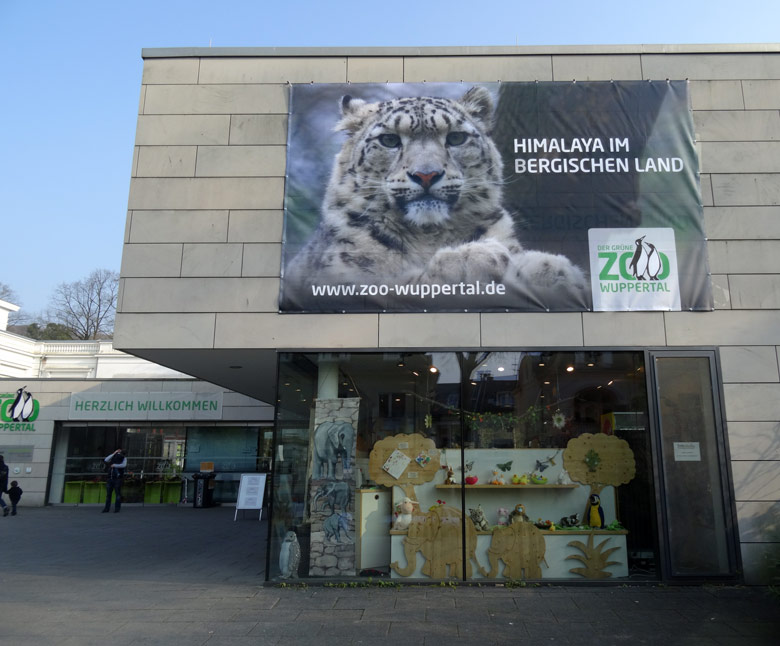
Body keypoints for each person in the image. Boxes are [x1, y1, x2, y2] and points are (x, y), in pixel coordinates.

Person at [102, 449, 126, 513]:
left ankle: (117, 509)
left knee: (118, 494)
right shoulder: (113, 457)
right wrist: (113, 453)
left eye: (119, 452)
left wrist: (115, 465)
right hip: (110, 478)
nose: (118, 453)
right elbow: (106, 459)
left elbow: (123, 465)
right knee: (108, 495)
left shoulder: (123, 458)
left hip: (118, 479)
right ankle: (106, 508)